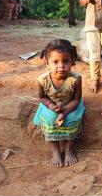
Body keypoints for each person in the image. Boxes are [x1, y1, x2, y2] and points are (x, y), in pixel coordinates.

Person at [33, 39, 85, 167]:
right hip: (50, 104)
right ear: (47, 64)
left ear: (72, 62)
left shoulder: (75, 79)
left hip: (71, 104)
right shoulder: (42, 80)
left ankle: (69, 149)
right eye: (55, 62)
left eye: (65, 61)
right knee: (50, 119)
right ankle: (55, 150)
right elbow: (42, 98)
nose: (61, 66)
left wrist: (65, 112)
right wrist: (51, 106)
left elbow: (77, 99)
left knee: (72, 119)